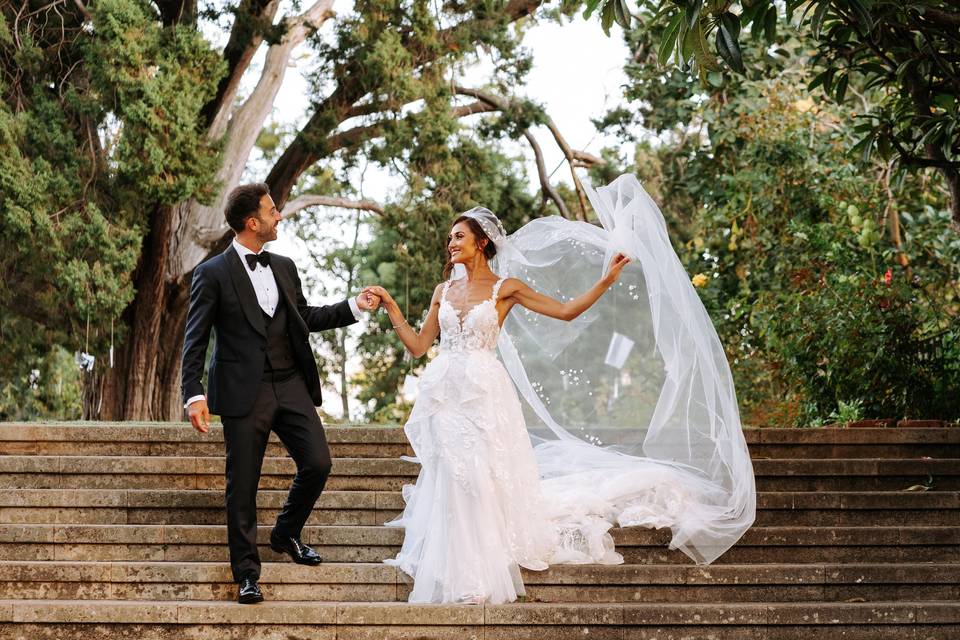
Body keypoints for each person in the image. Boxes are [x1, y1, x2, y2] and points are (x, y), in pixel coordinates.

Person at [369, 174, 756, 604]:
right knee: (452, 477)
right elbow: (421, 346)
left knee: (479, 477)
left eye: (458, 236)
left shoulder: (505, 289)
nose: (450, 243)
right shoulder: (444, 290)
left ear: (481, 242)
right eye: (449, 238)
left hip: (484, 393)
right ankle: (456, 568)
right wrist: (390, 305)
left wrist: (606, 281)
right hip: (446, 394)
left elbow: (567, 312)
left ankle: (481, 573)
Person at [180, 182, 380, 604]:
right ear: (252, 222)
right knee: (243, 484)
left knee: (318, 462)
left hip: (290, 383)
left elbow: (304, 316)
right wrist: (193, 393)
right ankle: (247, 574)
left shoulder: (285, 267)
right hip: (241, 391)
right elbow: (195, 339)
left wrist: (354, 306)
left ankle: (285, 532)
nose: (279, 216)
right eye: (272, 211)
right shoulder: (211, 273)